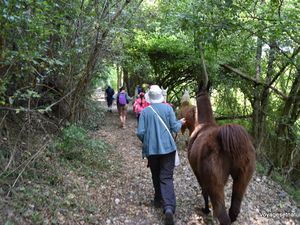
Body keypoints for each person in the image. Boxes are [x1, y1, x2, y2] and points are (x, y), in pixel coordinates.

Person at [136, 85, 186, 225]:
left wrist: (147, 141)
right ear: (161, 96)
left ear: (149, 98)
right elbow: (175, 128)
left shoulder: (145, 112)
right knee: (166, 177)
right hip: (168, 150)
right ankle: (168, 207)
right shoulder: (168, 108)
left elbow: (140, 132)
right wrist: (180, 122)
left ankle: (158, 200)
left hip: (152, 151)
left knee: (155, 174)